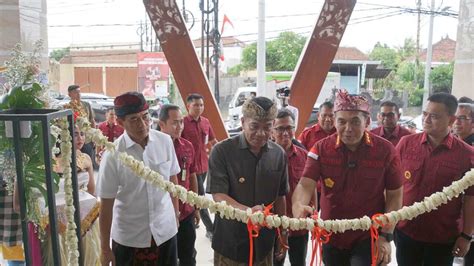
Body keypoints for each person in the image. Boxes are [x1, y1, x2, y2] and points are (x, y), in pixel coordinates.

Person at [292, 89, 403, 266]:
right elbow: (305, 184)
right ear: (334, 121)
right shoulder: (320, 149)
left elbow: (395, 195)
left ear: (367, 121)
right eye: (342, 122)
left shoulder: (385, 150)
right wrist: (298, 205)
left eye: (355, 122)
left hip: (368, 235)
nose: (348, 129)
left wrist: (385, 236)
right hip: (331, 233)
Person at [97, 92, 181, 266]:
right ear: (120, 123)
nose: (142, 124)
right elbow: (106, 204)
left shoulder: (165, 142)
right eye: (134, 119)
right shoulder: (113, 155)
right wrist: (105, 249)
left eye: (145, 117)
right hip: (130, 238)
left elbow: (173, 181)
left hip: (165, 231)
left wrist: (175, 213)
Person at [395, 93, 474, 266]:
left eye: (434, 116)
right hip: (406, 232)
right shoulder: (405, 143)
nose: (427, 119)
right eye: (425, 114)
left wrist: (466, 236)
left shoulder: (467, 155)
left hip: (443, 238)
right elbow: (393, 187)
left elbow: (470, 199)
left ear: (451, 120)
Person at [209, 97, 288, 265]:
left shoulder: (278, 154)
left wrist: (283, 231)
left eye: (267, 127)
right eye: (254, 126)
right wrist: (248, 212)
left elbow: (280, 196)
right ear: (243, 122)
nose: (261, 133)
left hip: (265, 242)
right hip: (231, 241)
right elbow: (218, 195)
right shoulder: (222, 151)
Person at [159, 104, 199, 266]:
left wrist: (195, 206)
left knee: (188, 256)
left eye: (181, 122)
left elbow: (192, 176)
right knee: (166, 258)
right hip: (162, 214)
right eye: (175, 122)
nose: (180, 127)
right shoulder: (153, 147)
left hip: (185, 212)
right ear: (162, 124)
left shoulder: (187, 146)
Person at [271, 108, 309, 266]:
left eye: (289, 128)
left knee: (299, 262)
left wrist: (311, 214)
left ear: (294, 129)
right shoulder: (265, 156)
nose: (285, 133)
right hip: (273, 226)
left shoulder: (304, 156)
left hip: (298, 225)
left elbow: (310, 187)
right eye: (280, 129)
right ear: (272, 130)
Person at [181, 93, 217, 239]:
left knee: (195, 195)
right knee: (200, 197)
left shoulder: (206, 122)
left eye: (201, 105)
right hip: (189, 168)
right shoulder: (182, 122)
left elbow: (214, 141)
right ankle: (211, 229)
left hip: (204, 166)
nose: (199, 108)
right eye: (196, 105)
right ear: (188, 106)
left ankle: (191, 216)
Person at [63, 85, 98, 170]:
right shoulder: (67, 107)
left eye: (79, 92)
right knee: (76, 161)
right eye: (75, 92)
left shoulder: (86, 105)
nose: (78, 94)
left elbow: (92, 120)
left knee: (88, 160)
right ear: (69, 94)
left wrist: (94, 137)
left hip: (86, 138)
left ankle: (89, 178)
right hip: (74, 139)